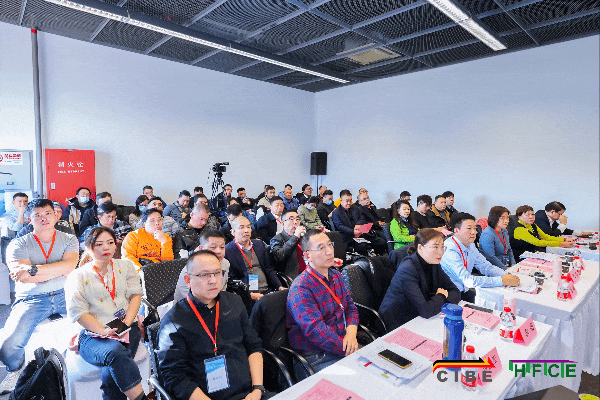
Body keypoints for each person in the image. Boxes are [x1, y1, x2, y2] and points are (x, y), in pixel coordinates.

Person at [157, 251, 274, 400]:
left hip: (250, 394)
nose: (213, 280)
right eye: (204, 275)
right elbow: (176, 378)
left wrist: (257, 389)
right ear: (188, 280)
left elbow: (253, 346)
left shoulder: (234, 302)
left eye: (217, 273)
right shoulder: (173, 322)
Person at [0, 199, 78, 394]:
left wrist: (33, 270)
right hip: (31, 299)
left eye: (47, 214)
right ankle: (16, 370)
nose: (43, 218)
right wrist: (58, 270)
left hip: (64, 293)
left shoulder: (69, 239)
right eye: (37, 215)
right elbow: (22, 277)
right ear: (29, 219)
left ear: (56, 216)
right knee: (9, 345)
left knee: (97, 319)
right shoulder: (18, 243)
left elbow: (70, 266)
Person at [65, 227, 148, 400]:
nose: (106, 248)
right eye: (99, 244)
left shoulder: (125, 266)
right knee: (115, 352)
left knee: (113, 369)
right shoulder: (78, 276)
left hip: (126, 326)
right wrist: (103, 331)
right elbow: (79, 312)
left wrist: (126, 323)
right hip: (93, 333)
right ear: (88, 247)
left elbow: (135, 295)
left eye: (110, 243)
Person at [287, 229, 359, 380]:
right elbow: (315, 330)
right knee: (358, 379)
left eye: (330, 245)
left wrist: (351, 333)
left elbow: (350, 308)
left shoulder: (336, 275)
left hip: (344, 342)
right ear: (307, 256)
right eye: (321, 248)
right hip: (316, 355)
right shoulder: (300, 287)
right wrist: (347, 348)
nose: (329, 252)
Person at [379, 229, 460, 331]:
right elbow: (426, 311)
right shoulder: (407, 269)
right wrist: (442, 296)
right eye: (435, 247)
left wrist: (436, 302)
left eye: (442, 247)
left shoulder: (434, 262)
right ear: (421, 247)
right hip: (398, 320)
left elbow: (455, 292)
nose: (441, 252)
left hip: (420, 315)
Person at [440, 213, 520, 303]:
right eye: (469, 228)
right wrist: (501, 280)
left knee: (499, 301)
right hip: (450, 294)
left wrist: (504, 275)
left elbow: (485, 266)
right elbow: (468, 280)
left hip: (465, 290)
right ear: (456, 231)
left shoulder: (470, 245)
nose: (474, 232)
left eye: (475, 228)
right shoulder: (449, 249)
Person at [225, 217, 283, 302]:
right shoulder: (228, 250)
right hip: (247, 295)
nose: (246, 230)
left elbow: (268, 269)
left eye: (248, 227)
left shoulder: (259, 244)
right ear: (233, 232)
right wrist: (249, 295)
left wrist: (279, 286)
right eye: (241, 227)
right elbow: (232, 280)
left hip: (267, 291)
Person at [174, 230, 229, 302]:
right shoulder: (190, 269)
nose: (219, 251)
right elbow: (191, 299)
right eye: (213, 247)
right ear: (201, 248)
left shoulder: (225, 263)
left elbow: (222, 290)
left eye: (222, 247)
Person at [331, 190, 385, 255]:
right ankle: (366, 260)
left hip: (361, 234)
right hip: (348, 237)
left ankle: (378, 258)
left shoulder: (355, 208)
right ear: (341, 200)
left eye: (350, 200)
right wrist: (353, 232)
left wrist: (358, 224)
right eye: (347, 201)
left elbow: (362, 218)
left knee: (381, 242)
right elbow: (340, 226)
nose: (349, 203)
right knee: (362, 246)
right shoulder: (336, 212)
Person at [270, 210, 307, 280]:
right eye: (291, 219)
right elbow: (279, 257)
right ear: (283, 223)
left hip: (310, 272)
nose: (295, 222)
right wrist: (295, 236)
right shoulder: (277, 239)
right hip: (295, 277)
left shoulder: (303, 237)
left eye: (297, 219)